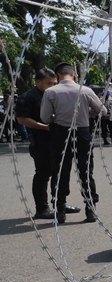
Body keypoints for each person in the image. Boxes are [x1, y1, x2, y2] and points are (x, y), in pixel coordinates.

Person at [40, 63, 106, 223]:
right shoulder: (85, 90)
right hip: (82, 132)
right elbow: (102, 111)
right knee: (86, 171)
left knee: (61, 171)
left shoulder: (50, 92)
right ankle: (90, 210)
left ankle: (60, 209)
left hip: (61, 134)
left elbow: (45, 118)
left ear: (57, 76)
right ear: (74, 75)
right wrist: (86, 111)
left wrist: (58, 116)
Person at [16, 68, 59, 219]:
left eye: (55, 83)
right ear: (38, 81)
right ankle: (42, 208)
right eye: (49, 83)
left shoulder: (55, 94)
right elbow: (22, 119)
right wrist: (45, 127)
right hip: (40, 141)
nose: (53, 86)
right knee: (43, 174)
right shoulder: (28, 97)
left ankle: (60, 204)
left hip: (56, 140)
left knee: (58, 173)